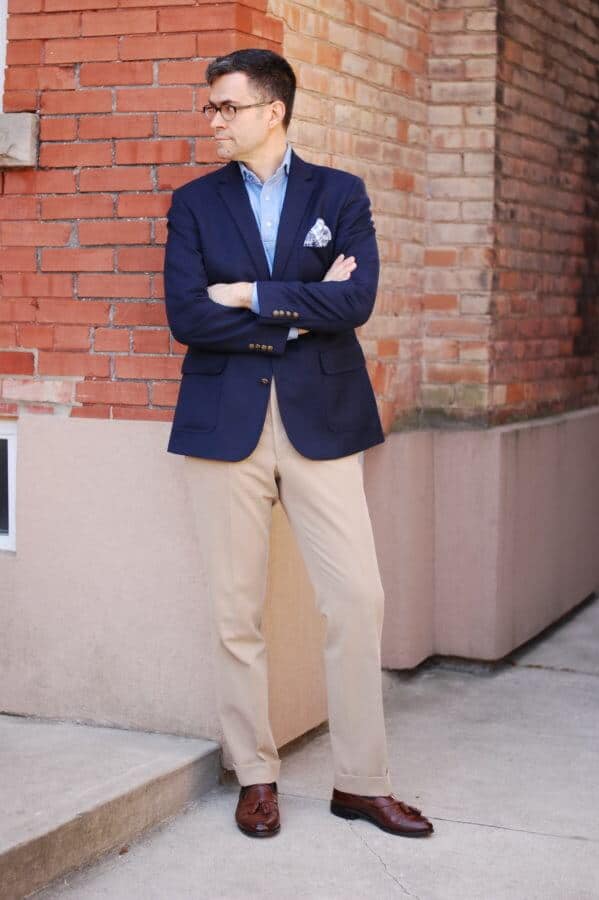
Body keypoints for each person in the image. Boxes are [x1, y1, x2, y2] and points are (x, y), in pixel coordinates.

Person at [163, 47, 433, 839]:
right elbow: (187, 316)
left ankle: (362, 782)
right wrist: (302, 308)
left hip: (322, 419)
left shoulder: (340, 193)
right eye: (210, 106)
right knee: (234, 611)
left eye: (227, 107)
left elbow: (357, 299)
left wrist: (249, 295)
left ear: (274, 110)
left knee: (357, 598)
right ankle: (256, 773)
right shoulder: (194, 203)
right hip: (225, 426)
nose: (212, 119)